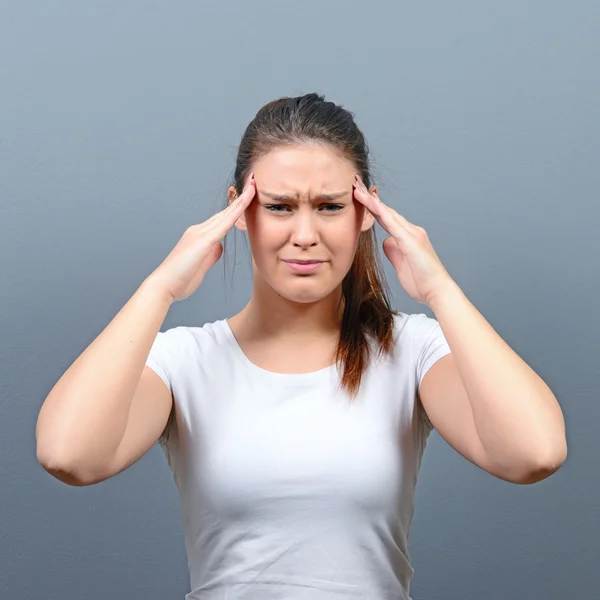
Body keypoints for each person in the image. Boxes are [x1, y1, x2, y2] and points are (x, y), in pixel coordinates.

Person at [36, 93, 567, 600]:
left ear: (366, 212)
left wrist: (440, 290)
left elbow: (533, 454)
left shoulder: (411, 350)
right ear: (241, 212)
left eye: (331, 206)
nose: (306, 234)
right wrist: (160, 289)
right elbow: (69, 456)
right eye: (280, 207)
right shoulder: (184, 360)